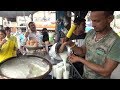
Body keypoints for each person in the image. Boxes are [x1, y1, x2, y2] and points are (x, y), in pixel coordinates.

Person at [61, 11, 120, 79]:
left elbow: (105, 71)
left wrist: (80, 60)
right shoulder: (91, 33)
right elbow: (82, 52)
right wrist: (71, 44)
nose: (92, 25)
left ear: (110, 19)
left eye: (97, 21)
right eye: (92, 20)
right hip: (84, 76)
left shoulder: (116, 42)